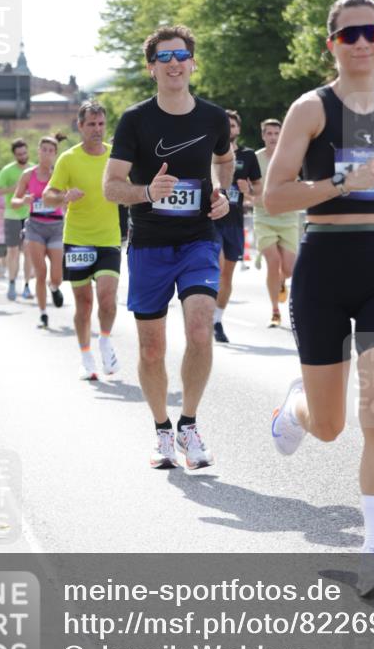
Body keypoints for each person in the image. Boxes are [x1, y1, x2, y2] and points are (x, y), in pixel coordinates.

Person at [264, 0, 374, 597]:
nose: (362, 42)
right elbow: (275, 197)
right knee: (331, 425)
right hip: (323, 266)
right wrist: (340, 180)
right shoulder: (309, 110)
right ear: (331, 44)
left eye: (371, 32)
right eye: (349, 35)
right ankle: (295, 409)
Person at [103, 24, 233, 470]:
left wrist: (223, 194)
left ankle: (189, 424)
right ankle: (162, 431)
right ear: (151, 68)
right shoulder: (135, 121)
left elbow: (225, 158)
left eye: (181, 55)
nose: (174, 63)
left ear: (193, 63)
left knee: (199, 330)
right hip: (149, 246)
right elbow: (110, 187)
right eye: (164, 57)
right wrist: (147, 193)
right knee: (152, 350)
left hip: (197, 240)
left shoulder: (214, 118)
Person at [44, 102, 121, 376]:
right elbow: (47, 196)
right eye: (91, 124)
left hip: (109, 238)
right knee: (85, 303)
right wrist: (64, 196)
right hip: (77, 239)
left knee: (108, 299)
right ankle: (85, 354)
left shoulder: (116, 157)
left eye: (101, 124)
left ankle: (105, 340)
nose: (97, 130)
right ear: (80, 126)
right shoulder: (68, 159)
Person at [212, 109, 262, 343]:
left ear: (238, 129)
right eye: (225, 125)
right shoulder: (208, 153)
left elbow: (259, 193)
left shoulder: (249, 156)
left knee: (227, 277)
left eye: (232, 126)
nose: (229, 130)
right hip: (211, 222)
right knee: (218, 268)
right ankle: (202, 310)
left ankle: (217, 320)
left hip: (234, 223)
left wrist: (248, 191)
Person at [250, 118, 301, 327]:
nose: (272, 137)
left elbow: (299, 185)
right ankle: (275, 311)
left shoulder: (291, 157)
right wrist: (249, 193)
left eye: (276, 133)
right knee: (273, 261)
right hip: (263, 216)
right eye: (268, 133)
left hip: (288, 216)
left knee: (289, 269)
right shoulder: (254, 159)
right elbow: (250, 190)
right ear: (263, 136)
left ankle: (281, 281)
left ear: (282, 135)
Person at [12, 136, 64, 329]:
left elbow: (68, 198)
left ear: (55, 154)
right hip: (35, 226)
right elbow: (14, 202)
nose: (47, 153)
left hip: (56, 226)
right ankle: (43, 314)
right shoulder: (28, 174)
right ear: (38, 151)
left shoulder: (60, 173)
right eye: (44, 149)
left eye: (51, 150)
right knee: (40, 272)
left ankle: (54, 287)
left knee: (57, 275)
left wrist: (64, 198)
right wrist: (24, 200)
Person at [0, 139, 34, 300]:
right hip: (12, 215)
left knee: (28, 252)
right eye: (19, 154)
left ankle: (27, 286)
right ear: (14, 155)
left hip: (30, 216)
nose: (22, 156)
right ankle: (11, 284)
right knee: (12, 251)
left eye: (24, 153)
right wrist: (15, 188)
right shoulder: (8, 170)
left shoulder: (33, 169)